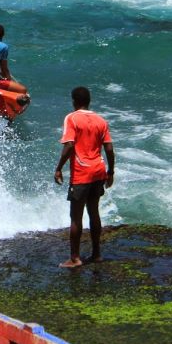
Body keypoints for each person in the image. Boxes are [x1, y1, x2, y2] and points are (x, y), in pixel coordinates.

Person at [54, 86, 115, 268]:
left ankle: (75, 258)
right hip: (99, 170)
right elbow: (109, 149)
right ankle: (96, 254)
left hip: (82, 172)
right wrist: (111, 172)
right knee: (94, 212)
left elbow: (70, 144)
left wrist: (58, 168)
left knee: (76, 216)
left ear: (74, 101)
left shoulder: (71, 118)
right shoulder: (100, 120)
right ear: (89, 101)